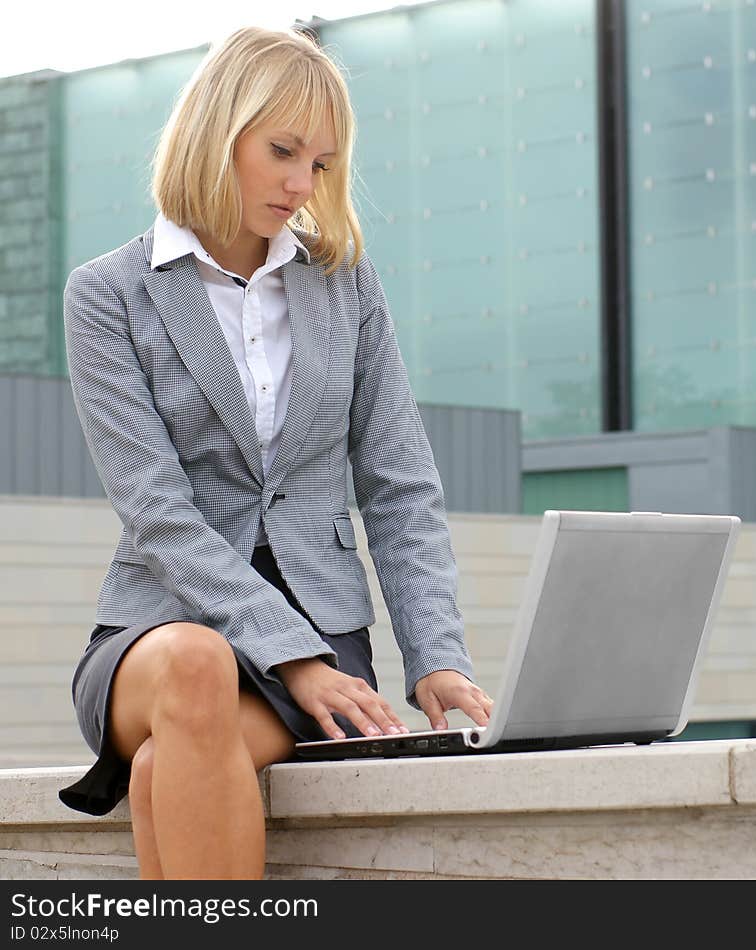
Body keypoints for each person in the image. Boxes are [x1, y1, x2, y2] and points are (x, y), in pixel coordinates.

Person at [57, 24, 492, 880]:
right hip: (158, 631)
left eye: (322, 164)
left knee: (165, 771)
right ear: (217, 132)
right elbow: (157, 514)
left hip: (329, 639)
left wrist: (436, 654)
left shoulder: (346, 284)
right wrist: (287, 655)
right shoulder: (107, 294)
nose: (302, 185)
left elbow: (401, 488)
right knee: (196, 662)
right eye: (282, 150)